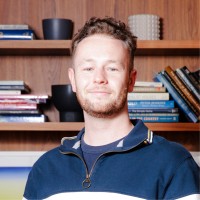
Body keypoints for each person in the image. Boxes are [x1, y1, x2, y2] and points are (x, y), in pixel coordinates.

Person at [23, 17, 200, 200]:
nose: (99, 78)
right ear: (73, 79)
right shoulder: (43, 170)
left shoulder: (175, 164)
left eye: (112, 68)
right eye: (88, 68)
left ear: (131, 80)